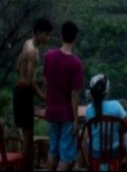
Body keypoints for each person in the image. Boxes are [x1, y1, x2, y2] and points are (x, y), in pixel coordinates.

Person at [43, 21, 84, 171]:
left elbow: (46, 81)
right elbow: (74, 94)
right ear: (75, 38)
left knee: (53, 152)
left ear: (61, 36)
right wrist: (75, 119)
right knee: (66, 157)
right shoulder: (76, 63)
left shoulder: (49, 56)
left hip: (51, 110)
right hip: (66, 113)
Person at [13, 17, 53, 171]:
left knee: (27, 137)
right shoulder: (34, 52)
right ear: (38, 32)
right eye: (46, 35)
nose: (47, 38)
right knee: (28, 138)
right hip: (24, 94)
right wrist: (43, 96)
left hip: (19, 90)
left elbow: (18, 66)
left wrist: (36, 81)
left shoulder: (26, 44)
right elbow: (30, 83)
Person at [85, 74, 127, 171]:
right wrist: (120, 133)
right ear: (106, 91)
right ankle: (123, 163)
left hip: (95, 152)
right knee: (126, 137)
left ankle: (87, 165)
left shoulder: (88, 110)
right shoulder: (116, 106)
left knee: (86, 138)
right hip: (114, 152)